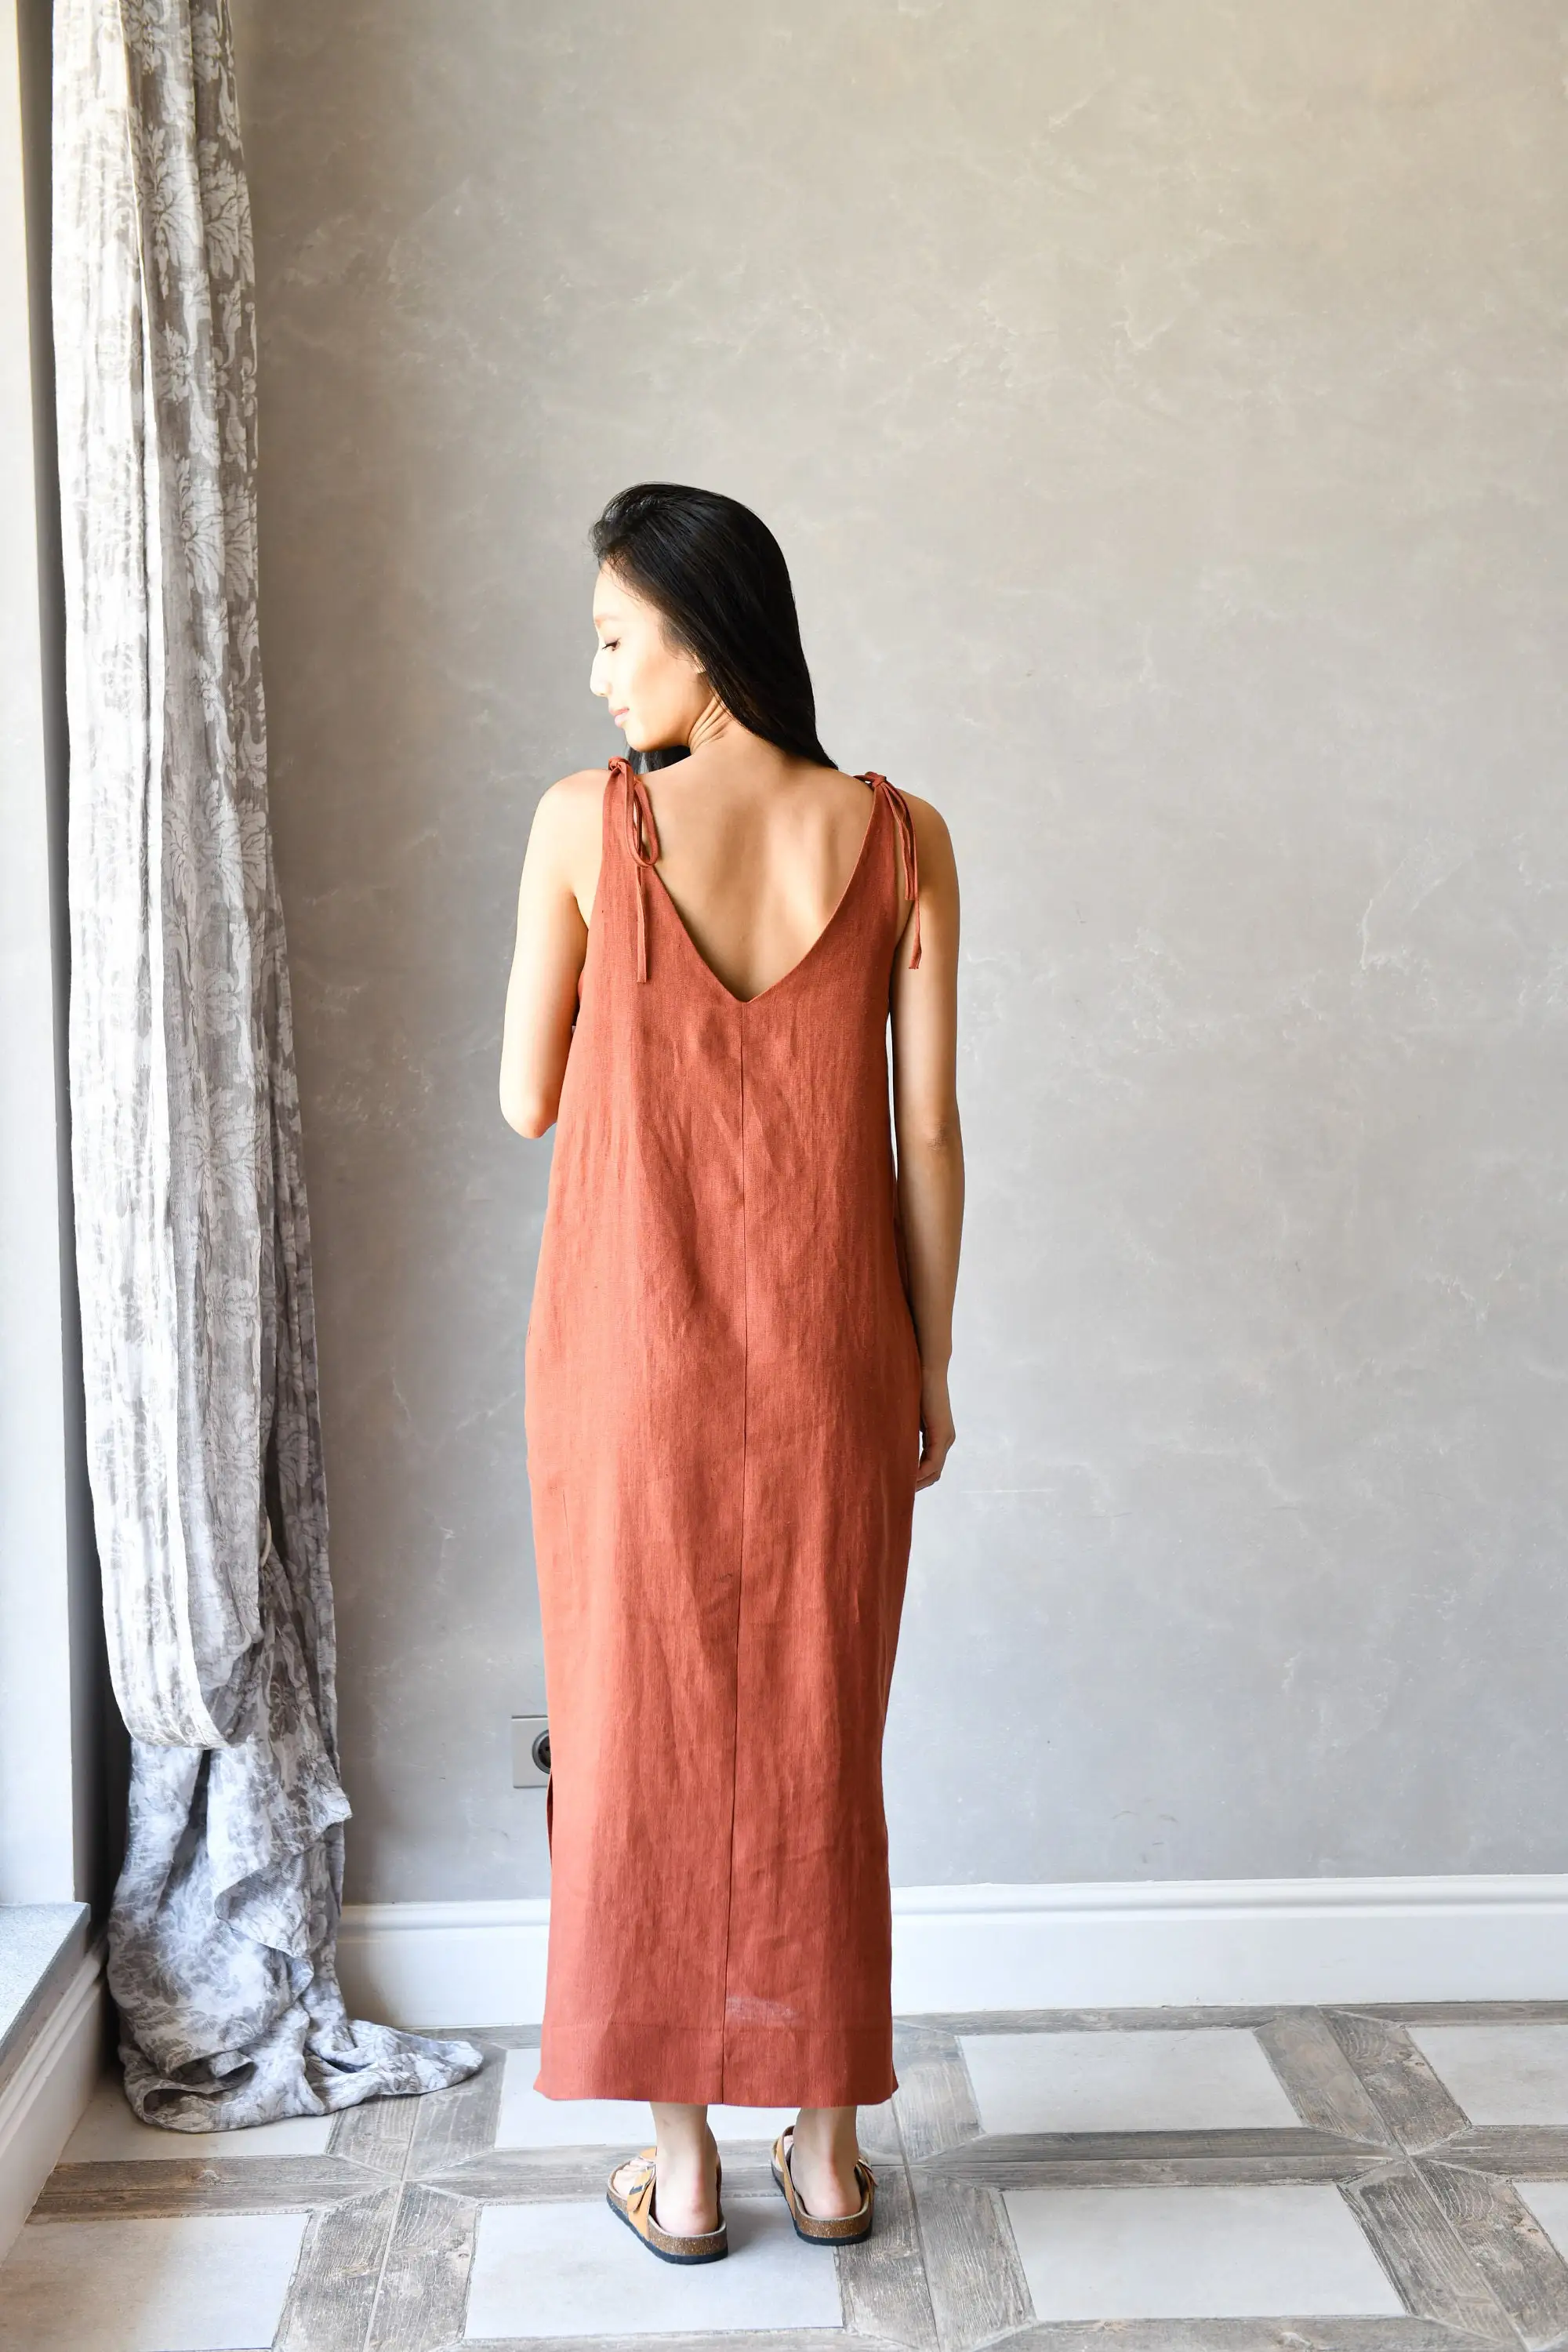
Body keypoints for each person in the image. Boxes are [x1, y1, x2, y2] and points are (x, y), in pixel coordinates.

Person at [499, 482, 963, 2264]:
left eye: (617, 637)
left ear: (701, 637)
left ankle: (683, 2172)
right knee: (820, 1736)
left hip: (632, 1361)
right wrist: (931, 1362)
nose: (601, 675)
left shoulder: (583, 823)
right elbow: (928, 1134)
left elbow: (528, 1099)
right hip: (839, 1354)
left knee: (638, 1739)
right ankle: (827, 2157)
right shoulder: (903, 836)